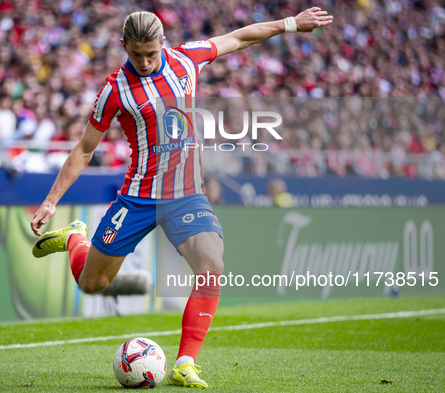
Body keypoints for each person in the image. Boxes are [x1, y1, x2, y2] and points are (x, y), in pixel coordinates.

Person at [30, 8, 332, 388]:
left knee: (211, 265)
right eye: (136, 54)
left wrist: (290, 24)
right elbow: (84, 150)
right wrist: (51, 200)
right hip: (138, 197)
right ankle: (76, 237)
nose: (144, 61)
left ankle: (185, 362)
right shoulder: (114, 90)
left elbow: (240, 37)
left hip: (186, 195)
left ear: (163, 44)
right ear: (124, 46)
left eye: (151, 54)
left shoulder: (186, 59)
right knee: (93, 284)